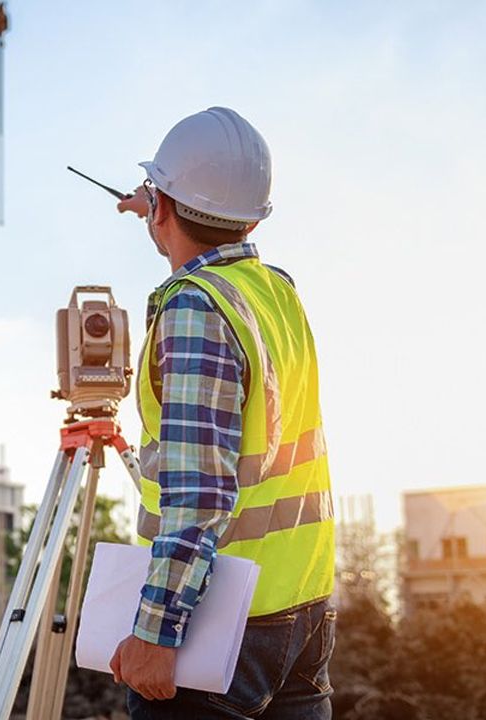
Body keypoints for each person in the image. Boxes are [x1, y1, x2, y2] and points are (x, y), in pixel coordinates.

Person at [110, 107, 335, 719]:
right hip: (302, 608)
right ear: (254, 214)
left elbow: (199, 492)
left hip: (220, 627)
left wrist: (157, 634)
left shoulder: (195, 309)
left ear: (162, 206)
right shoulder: (275, 290)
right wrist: (158, 208)